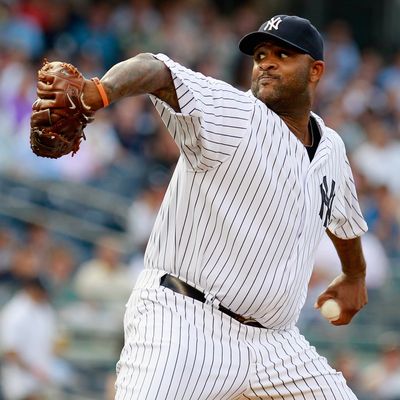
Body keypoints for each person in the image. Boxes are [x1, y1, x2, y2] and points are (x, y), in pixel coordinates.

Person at [38, 14, 368, 400]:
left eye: (283, 54)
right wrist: (101, 91)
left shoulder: (331, 149)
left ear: (316, 71)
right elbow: (156, 69)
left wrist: (354, 275)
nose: (267, 62)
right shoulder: (236, 114)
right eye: (260, 54)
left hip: (276, 346)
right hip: (186, 322)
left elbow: (343, 218)